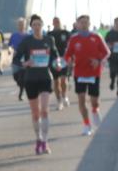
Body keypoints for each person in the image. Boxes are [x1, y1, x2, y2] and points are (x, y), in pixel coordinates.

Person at [14, 14, 59, 155]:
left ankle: (45, 141)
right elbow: (15, 59)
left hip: (45, 77)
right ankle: (38, 139)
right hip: (31, 79)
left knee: (45, 110)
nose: (37, 27)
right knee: (35, 113)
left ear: (42, 25)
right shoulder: (27, 41)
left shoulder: (49, 39)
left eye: (39, 24)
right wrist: (25, 63)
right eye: (34, 25)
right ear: (31, 27)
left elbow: (55, 56)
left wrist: (57, 63)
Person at [64, 14, 110, 136]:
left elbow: (106, 52)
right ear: (77, 24)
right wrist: (68, 61)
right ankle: (86, 124)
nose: (84, 25)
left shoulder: (96, 37)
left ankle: (95, 110)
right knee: (81, 99)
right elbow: (67, 55)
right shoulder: (74, 39)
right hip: (79, 73)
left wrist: (98, 61)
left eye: (86, 22)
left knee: (94, 101)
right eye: (81, 22)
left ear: (89, 24)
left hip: (94, 73)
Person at [47, 16, 71, 110]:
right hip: (53, 60)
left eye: (58, 21)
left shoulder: (66, 33)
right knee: (56, 82)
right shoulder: (49, 34)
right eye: (55, 21)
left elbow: (70, 45)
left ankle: (65, 96)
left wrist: (71, 58)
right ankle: (59, 101)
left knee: (64, 80)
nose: (56, 23)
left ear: (60, 22)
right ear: (52, 23)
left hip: (64, 59)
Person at [8, 17, 29, 100]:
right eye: (19, 24)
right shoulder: (14, 35)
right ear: (17, 25)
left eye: (22, 24)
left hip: (25, 59)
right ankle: (21, 87)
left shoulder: (28, 35)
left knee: (22, 77)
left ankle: (21, 94)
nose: (21, 26)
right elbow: (10, 46)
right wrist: (10, 51)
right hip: (16, 58)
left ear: (25, 25)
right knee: (15, 76)